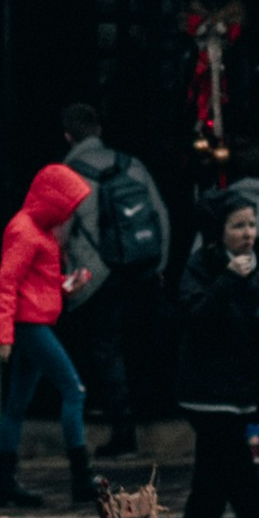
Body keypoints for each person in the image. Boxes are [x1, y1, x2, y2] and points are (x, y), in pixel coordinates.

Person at [169, 195, 259, 518]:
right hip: (207, 390)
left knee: (211, 483)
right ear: (221, 232)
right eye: (238, 226)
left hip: (241, 388)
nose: (248, 233)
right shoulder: (204, 265)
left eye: (252, 224)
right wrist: (227, 280)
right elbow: (196, 319)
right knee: (241, 478)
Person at [0, 156, 102, 512]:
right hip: (30, 325)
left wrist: (68, 287)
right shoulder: (25, 230)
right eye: (66, 207)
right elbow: (7, 283)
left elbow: (37, 282)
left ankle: (3, 484)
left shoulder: (39, 231)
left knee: (16, 406)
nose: (69, 215)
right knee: (74, 390)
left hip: (32, 322)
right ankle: (81, 478)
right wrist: (3, 335)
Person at [59, 96, 172, 439]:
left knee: (102, 346)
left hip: (95, 275)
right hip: (140, 268)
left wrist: (66, 280)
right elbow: (161, 217)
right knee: (134, 340)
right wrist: (159, 265)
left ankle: (121, 430)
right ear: (99, 131)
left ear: (68, 137)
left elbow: (60, 236)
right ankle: (147, 406)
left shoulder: (68, 176)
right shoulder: (132, 165)